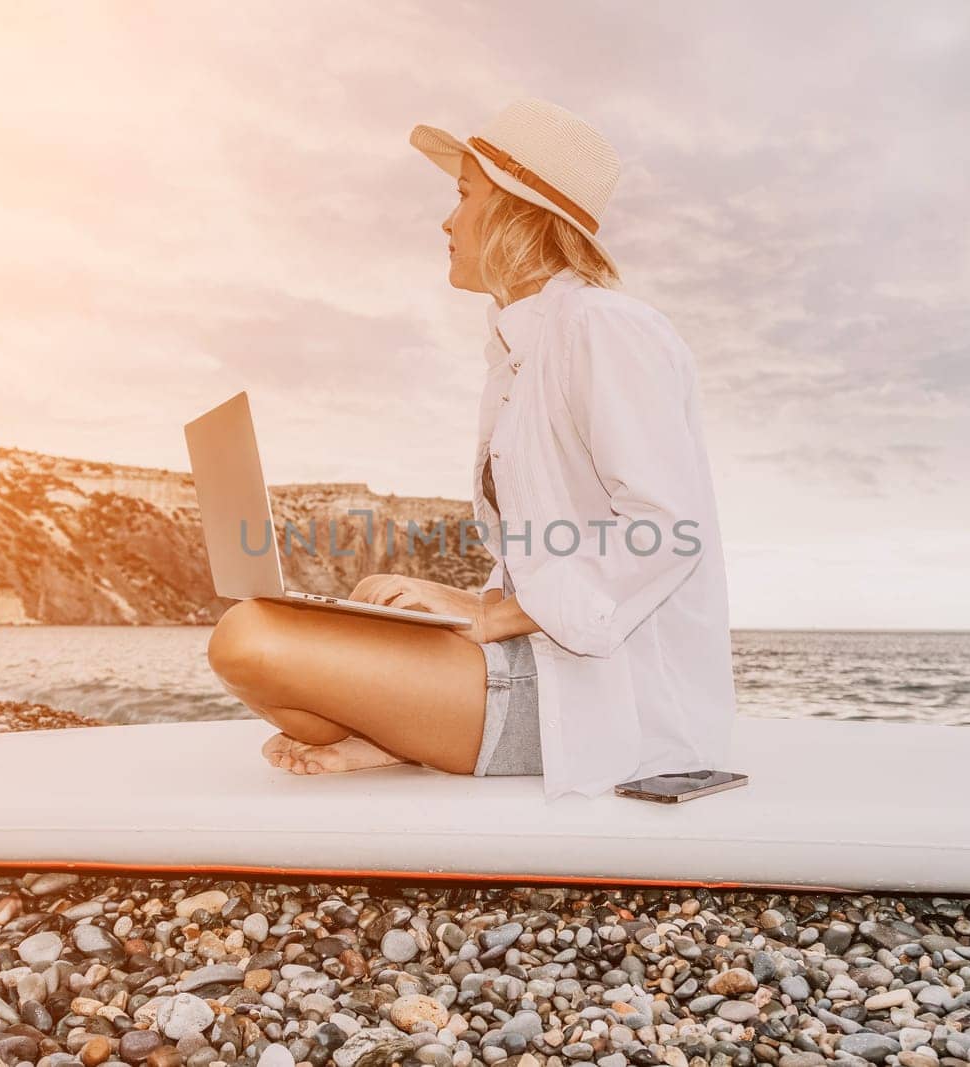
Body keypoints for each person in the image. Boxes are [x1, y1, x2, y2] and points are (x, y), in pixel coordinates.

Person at [206, 98, 736, 800]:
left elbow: (668, 527)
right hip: (537, 661)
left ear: (518, 214)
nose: (447, 219)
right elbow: (545, 556)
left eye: (463, 194)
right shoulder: (519, 350)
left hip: (605, 705)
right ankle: (398, 735)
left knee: (247, 640)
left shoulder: (605, 328)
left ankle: (404, 732)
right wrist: (463, 601)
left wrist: (491, 616)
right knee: (362, 600)